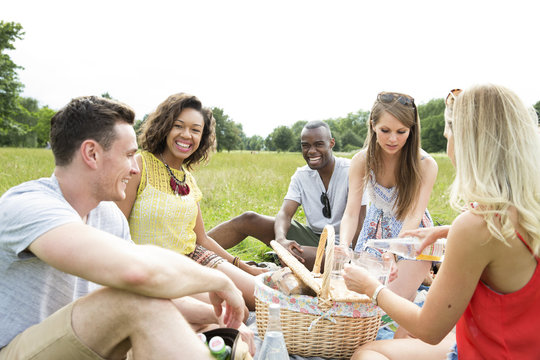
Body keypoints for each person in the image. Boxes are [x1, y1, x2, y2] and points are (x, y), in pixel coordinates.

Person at [0, 96, 246, 360]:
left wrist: (223, 318)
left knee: (205, 328)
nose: (133, 168)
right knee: (135, 301)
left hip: (87, 338)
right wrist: (218, 280)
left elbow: (148, 289)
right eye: (129, 155)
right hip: (18, 350)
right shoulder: (29, 206)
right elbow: (138, 274)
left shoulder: (107, 214)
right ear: (92, 154)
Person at [344, 85, 540, 359]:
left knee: (368, 354)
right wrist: (448, 231)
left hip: (485, 352)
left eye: (449, 135)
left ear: (466, 145)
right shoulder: (526, 210)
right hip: (522, 346)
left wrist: (370, 287)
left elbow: (429, 329)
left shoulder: (475, 226)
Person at [115, 93, 262, 312]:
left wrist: (244, 267)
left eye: (195, 130)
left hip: (195, 256)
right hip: (156, 267)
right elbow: (115, 229)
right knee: (230, 311)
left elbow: (201, 238)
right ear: (165, 127)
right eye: (179, 126)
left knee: (264, 297)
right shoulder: (140, 165)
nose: (186, 135)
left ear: (202, 138)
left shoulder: (189, 179)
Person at [208, 120, 368, 271]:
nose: (312, 151)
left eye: (319, 144)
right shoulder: (301, 175)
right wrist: (280, 240)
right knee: (248, 219)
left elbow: (360, 219)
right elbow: (285, 213)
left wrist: (353, 258)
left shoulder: (351, 170)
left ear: (331, 143)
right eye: (306, 146)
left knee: (294, 255)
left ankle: (258, 268)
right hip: (314, 237)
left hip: (344, 247)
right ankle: (190, 250)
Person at [339, 91, 438, 306]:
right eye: (385, 130)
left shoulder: (425, 164)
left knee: (387, 304)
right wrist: (344, 246)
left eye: (401, 132)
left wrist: (392, 252)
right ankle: (421, 280)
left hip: (409, 235)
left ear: (411, 130)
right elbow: (351, 212)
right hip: (376, 231)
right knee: (363, 302)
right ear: (373, 125)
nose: (393, 139)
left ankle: (422, 274)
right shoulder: (361, 160)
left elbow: (414, 214)